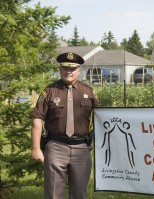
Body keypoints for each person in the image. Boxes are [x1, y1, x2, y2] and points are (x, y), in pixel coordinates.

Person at [31, 52, 100, 199]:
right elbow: (37, 119)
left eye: (72, 68)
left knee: (79, 194)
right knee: (53, 194)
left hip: (81, 148)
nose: (68, 72)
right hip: (56, 147)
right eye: (65, 68)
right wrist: (36, 148)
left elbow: (101, 118)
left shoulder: (89, 91)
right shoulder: (49, 91)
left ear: (79, 70)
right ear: (60, 69)